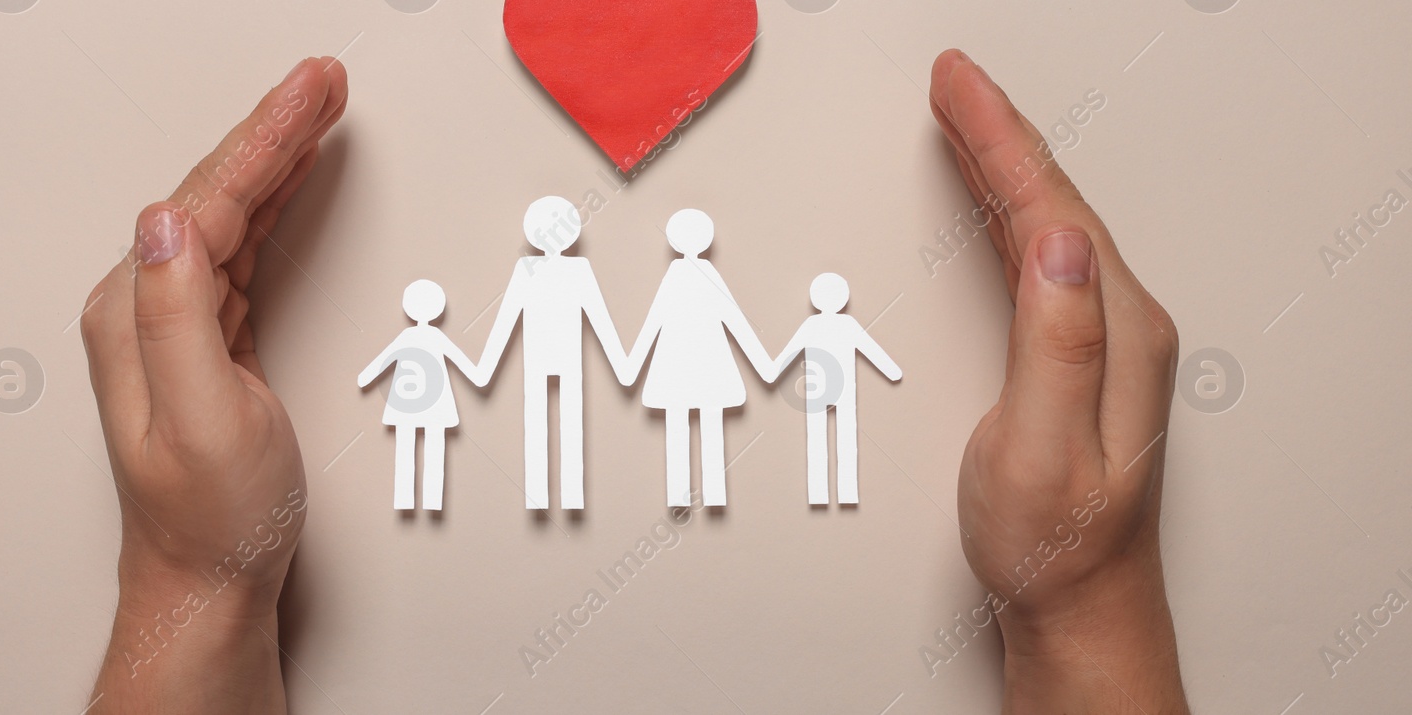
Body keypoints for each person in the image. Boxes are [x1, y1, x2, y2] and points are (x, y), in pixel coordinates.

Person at [79, 50, 1190, 714]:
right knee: (551, 443)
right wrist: (1087, 605)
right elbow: (526, 329)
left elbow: (637, 326)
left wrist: (194, 585)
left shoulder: (677, 291)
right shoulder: (573, 287)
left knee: (665, 441)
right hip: (606, 379)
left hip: (704, 382)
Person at [472, 195, 625, 510]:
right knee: (563, 420)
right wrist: (622, 365)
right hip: (557, 357)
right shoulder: (563, 269)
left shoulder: (540, 269)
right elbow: (510, 316)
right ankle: (558, 495)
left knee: (542, 420)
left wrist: (485, 367)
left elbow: (596, 315)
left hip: (552, 357)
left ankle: (552, 496)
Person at [618, 208, 777, 508]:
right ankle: (709, 493)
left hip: (678, 366)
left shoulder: (678, 275)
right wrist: (764, 364)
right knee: (708, 423)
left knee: (680, 425)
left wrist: (631, 364)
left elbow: (656, 321)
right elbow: (735, 321)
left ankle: (687, 494)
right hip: (707, 366)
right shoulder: (701, 275)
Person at [769, 272, 903, 505]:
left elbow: (787, 355)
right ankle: (846, 492)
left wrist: (772, 370)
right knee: (846, 440)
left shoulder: (812, 324)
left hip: (818, 390)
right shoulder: (846, 324)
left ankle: (820, 493)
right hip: (841, 391)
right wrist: (892, 371)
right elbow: (872, 350)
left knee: (818, 441)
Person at [357, 279, 482, 511]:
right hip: (434, 402)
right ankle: (431, 500)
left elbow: (384, 360)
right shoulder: (435, 337)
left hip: (407, 402)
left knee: (406, 449)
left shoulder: (408, 336)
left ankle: (407, 499)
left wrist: (366, 376)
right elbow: (462, 362)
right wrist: (479, 374)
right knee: (435, 448)